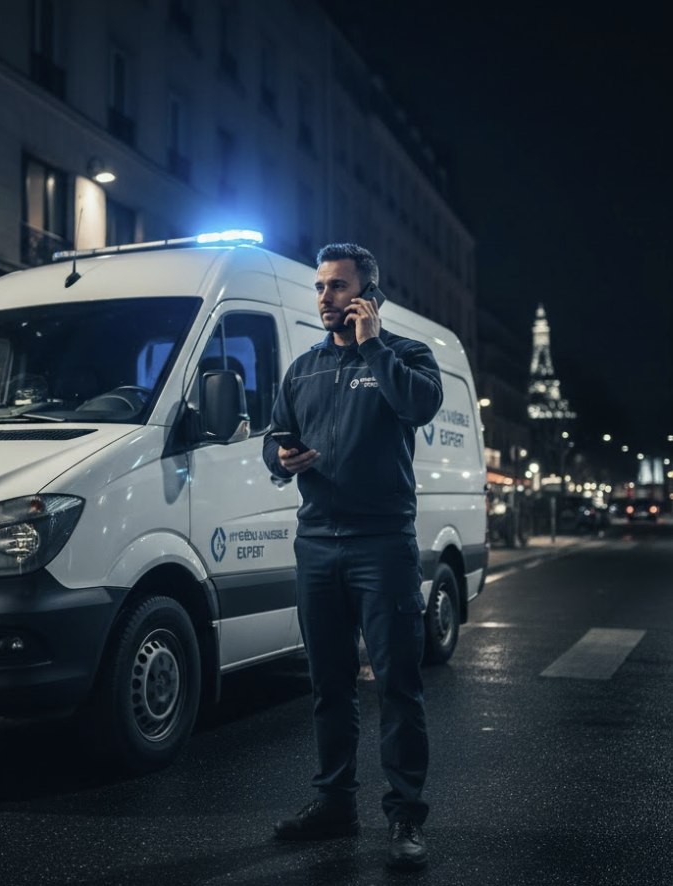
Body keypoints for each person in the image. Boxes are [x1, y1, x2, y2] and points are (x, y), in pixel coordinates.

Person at [263, 243, 443, 871]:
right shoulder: (304, 369)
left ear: (368, 296)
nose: (325, 297)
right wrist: (279, 460)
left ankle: (404, 818)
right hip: (316, 545)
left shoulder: (406, 357)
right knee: (328, 686)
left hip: (383, 546)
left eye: (339, 287)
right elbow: (274, 437)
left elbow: (419, 406)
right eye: (320, 287)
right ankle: (335, 803)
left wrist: (373, 347)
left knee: (398, 685)